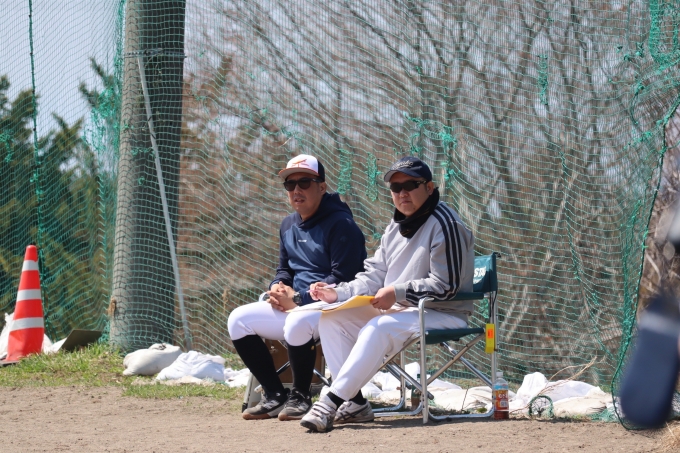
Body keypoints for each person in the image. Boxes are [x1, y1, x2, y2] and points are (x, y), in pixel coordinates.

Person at [300, 156, 475, 432]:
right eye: (395, 187)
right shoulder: (396, 225)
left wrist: (398, 291)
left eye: (410, 185)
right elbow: (375, 274)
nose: (402, 193)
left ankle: (329, 402)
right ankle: (354, 404)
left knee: (378, 326)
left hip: (443, 312)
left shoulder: (446, 223)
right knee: (331, 320)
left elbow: (447, 286)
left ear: (429, 187)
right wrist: (338, 293)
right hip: (403, 310)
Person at [227, 154, 366, 421]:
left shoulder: (342, 224)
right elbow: (285, 270)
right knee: (238, 319)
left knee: (296, 322)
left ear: (322, 187)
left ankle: (300, 396)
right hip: (298, 305)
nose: (296, 190)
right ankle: (275, 394)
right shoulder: (288, 224)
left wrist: (300, 299)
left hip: (335, 308)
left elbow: (345, 278)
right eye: (290, 184)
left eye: (305, 182)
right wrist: (277, 289)